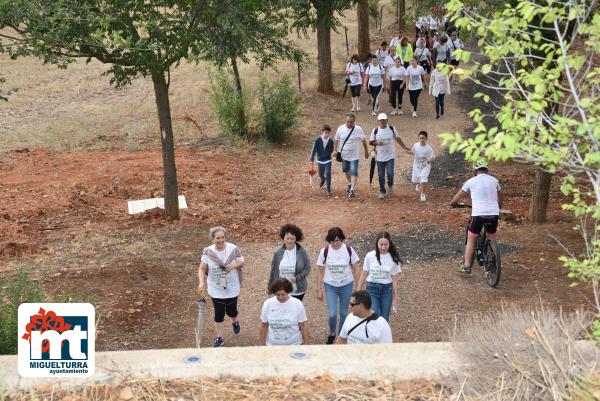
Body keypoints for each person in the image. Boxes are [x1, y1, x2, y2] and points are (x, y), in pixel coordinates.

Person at [450, 160, 503, 274]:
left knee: (471, 238)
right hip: (494, 214)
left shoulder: (471, 181)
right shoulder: (494, 180)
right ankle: (493, 260)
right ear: (487, 170)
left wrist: (453, 203)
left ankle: (467, 266)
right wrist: (498, 207)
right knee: (491, 236)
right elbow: (500, 196)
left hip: (478, 214)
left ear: (475, 170)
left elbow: (458, 196)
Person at [198, 226, 245, 348]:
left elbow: (242, 262)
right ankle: (220, 338)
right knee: (219, 314)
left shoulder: (233, 249)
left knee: (231, 311)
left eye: (222, 237)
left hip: (232, 286)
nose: (220, 240)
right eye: (217, 238)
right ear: (212, 239)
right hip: (216, 288)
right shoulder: (208, 252)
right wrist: (201, 283)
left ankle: (234, 321)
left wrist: (233, 265)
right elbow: (202, 268)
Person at [316, 227, 360, 344]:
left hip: (346, 285)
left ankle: (341, 336)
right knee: (332, 314)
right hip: (330, 285)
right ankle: (332, 333)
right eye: (332, 241)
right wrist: (319, 289)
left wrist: (359, 287)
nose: (335, 243)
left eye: (338, 240)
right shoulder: (324, 251)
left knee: (344, 313)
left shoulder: (349, 250)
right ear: (329, 241)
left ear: (342, 239)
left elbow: (355, 268)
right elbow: (320, 270)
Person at [356, 232, 401, 322]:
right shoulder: (370, 256)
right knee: (373, 316)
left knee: (384, 318)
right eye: (381, 244)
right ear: (377, 243)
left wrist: (396, 298)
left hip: (386, 290)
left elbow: (395, 280)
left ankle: (384, 336)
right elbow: (364, 274)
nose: (383, 247)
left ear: (389, 244)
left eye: (386, 244)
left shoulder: (394, 258)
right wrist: (357, 293)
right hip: (372, 289)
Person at [369, 113, 410, 199]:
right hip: (379, 156)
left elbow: (397, 138)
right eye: (381, 120)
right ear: (378, 121)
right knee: (380, 175)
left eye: (384, 120)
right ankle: (382, 191)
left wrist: (404, 147)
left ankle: (390, 184)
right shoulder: (375, 130)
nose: (382, 121)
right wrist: (377, 143)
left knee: (390, 173)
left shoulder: (391, 128)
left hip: (390, 155)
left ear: (387, 120)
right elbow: (370, 142)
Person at [268, 224, 312, 302]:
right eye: (287, 238)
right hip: (281, 289)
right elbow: (273, 270)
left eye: (292, 239)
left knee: (294, 312)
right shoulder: (278, 253)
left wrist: (297, 277)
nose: (289, 241)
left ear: (296, 239)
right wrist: (270, 287)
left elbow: (307, 268)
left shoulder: (302, 252)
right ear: (283, 238)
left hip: (297, 290)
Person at [259, 278, 309, 346]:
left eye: (283, 294)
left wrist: (306, 345)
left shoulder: (297, 304)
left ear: (288, 292)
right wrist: (261, 346)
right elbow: (264, 325)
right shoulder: (268, 304)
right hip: (272, 345)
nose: (280, 297)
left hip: (294, 344)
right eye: (278, 295)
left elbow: (303, 325)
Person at [334, 113, 369, 199]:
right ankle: (350, 183)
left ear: (354, 121)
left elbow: (363, 141)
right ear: (345, 120)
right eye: (348, 122)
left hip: (354, 155)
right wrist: (335, 150)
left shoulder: (358, 129)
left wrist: (366, 151)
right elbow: (336, 139)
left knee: (354, 171)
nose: (349, 123)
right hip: (344, 155)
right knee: (346, 170)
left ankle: (352, 190)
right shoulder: (341, 129)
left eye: (351, 122)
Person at [408, 131, 434, 202]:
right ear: (418, 138)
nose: (422, 140)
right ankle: (418, 184)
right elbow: (413, 152)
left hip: (426, 166)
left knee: (424, 178)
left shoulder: (429, 148)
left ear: (426, 138)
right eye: (420, 138)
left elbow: (433, 157)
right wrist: (408, 152)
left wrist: (427, 162)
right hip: (416, 166)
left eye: (423, 138)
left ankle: (422, 194)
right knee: (415, 179)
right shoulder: (415, 145)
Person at [309, 125, 334, 196]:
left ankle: (328, 190)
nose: (327, 134)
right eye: (325, 132)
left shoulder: (331, 141)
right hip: (320, 161)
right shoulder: (317, 140)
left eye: (328, 133)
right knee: (320, 174)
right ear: (322, 132)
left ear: (330, 133)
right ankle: (323, 179)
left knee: (328, 173)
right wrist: (312, 159)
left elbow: (332, 150)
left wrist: (334, 152)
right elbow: (313, 150)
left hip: (328, 160)